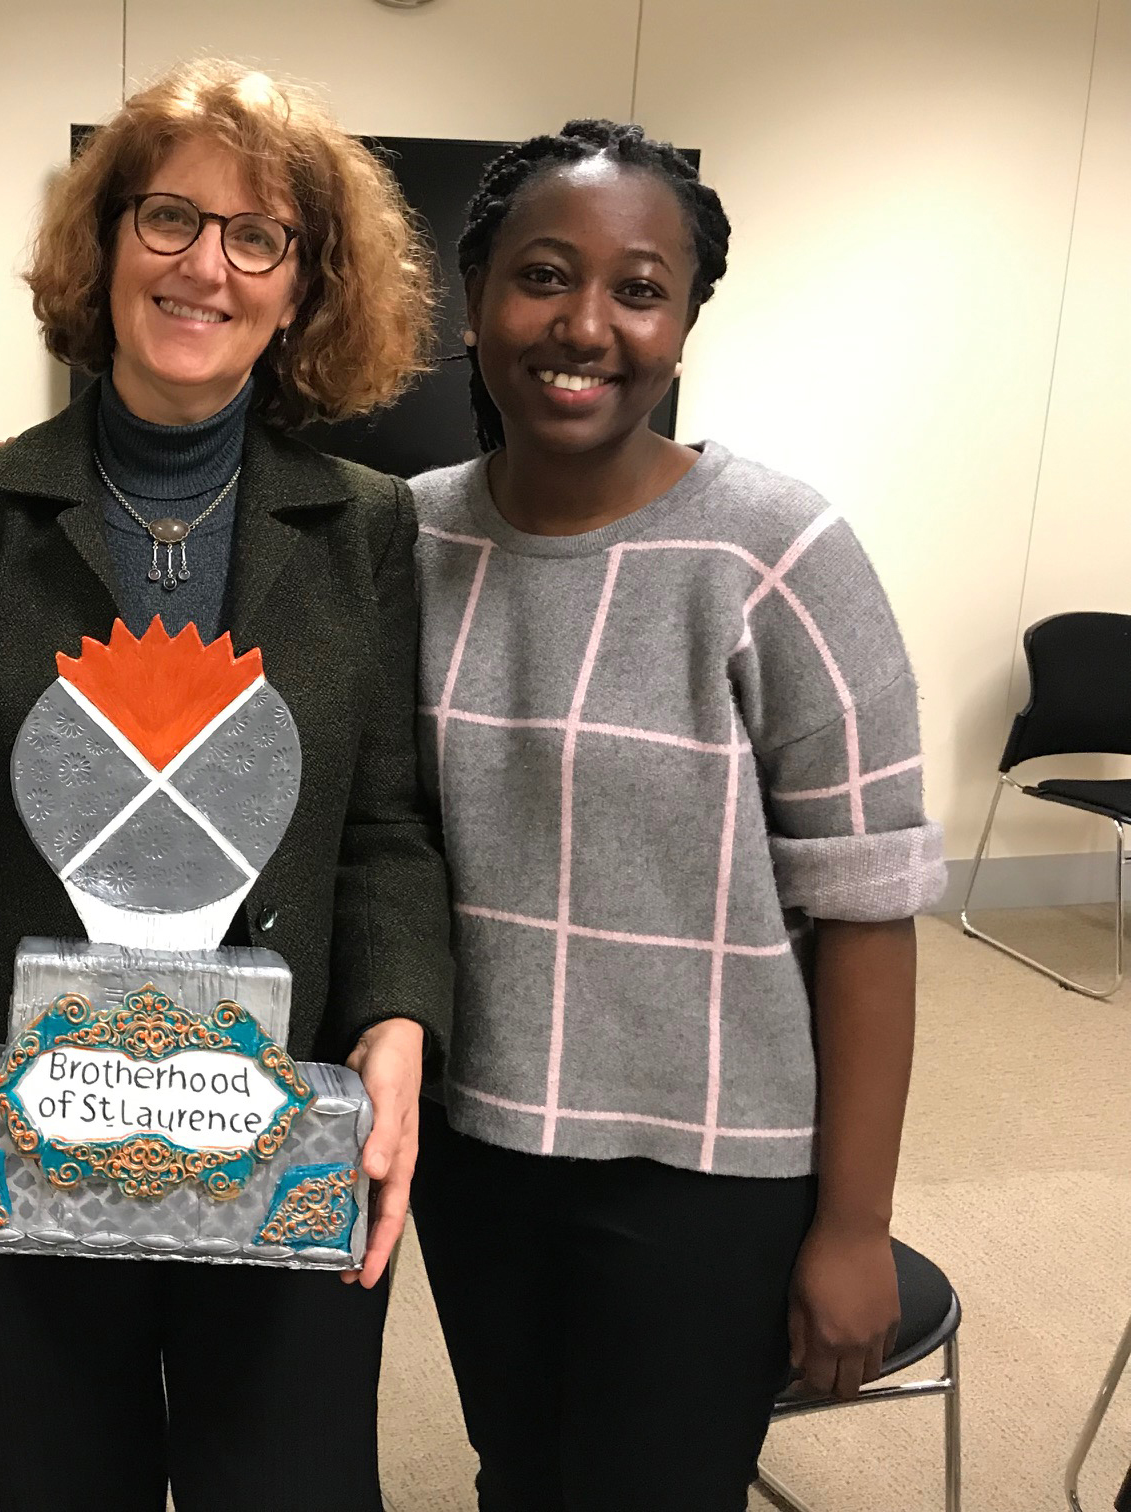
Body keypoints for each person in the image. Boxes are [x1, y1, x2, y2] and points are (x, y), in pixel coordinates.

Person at [0, 59, 453, 1512]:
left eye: (261, 238)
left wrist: (396, 1032)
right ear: (106, 240)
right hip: (30, 1109)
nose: (208, 266)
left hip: (282, 1111)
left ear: (304, 286)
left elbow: (382, 827)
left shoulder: (365, 525)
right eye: (172, 217)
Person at [407, 119, 947, 1510]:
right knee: (518, 1477)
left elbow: (869, 913)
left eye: (639, 289)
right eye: (542, 276)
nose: (586, 323)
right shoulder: (400, 540)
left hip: (702, 1170)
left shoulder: (777, 551)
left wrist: (855, 1225)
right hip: (476, 1149)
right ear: (473, 306)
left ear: (684, 320)